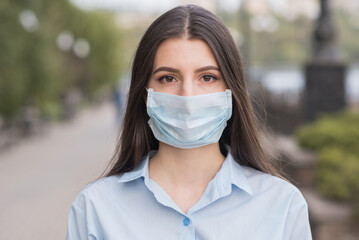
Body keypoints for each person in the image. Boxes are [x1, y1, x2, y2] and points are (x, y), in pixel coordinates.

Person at [66, 5, 312, 240]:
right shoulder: (94, 209)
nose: (187, 96)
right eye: (168, 78)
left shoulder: (283, 205)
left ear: (231, 90)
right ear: (145, 94)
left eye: (207, 77)